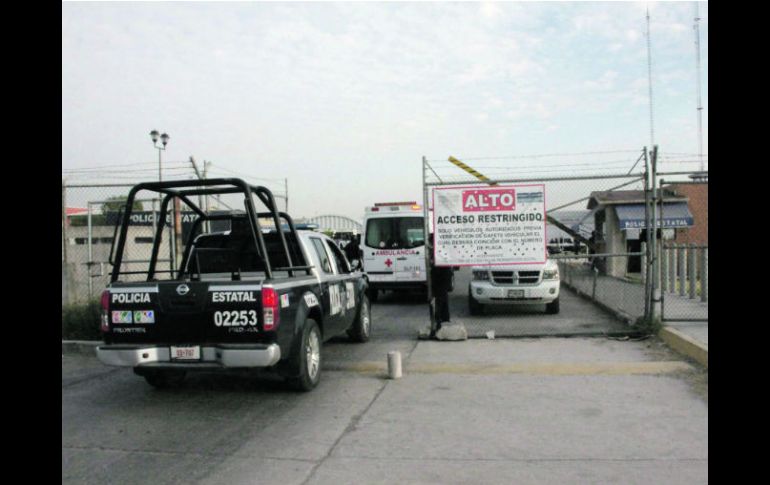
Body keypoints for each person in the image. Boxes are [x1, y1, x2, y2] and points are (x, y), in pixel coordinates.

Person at [428, 233, 453, 328]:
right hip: (442, 275)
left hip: (440, 276)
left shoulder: (438, 250)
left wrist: (431, 263)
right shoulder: (439, 249)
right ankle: (445, 318)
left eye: (431, 241)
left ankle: (438, 319)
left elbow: (436, 264)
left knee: (439, 299)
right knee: (443, 298)